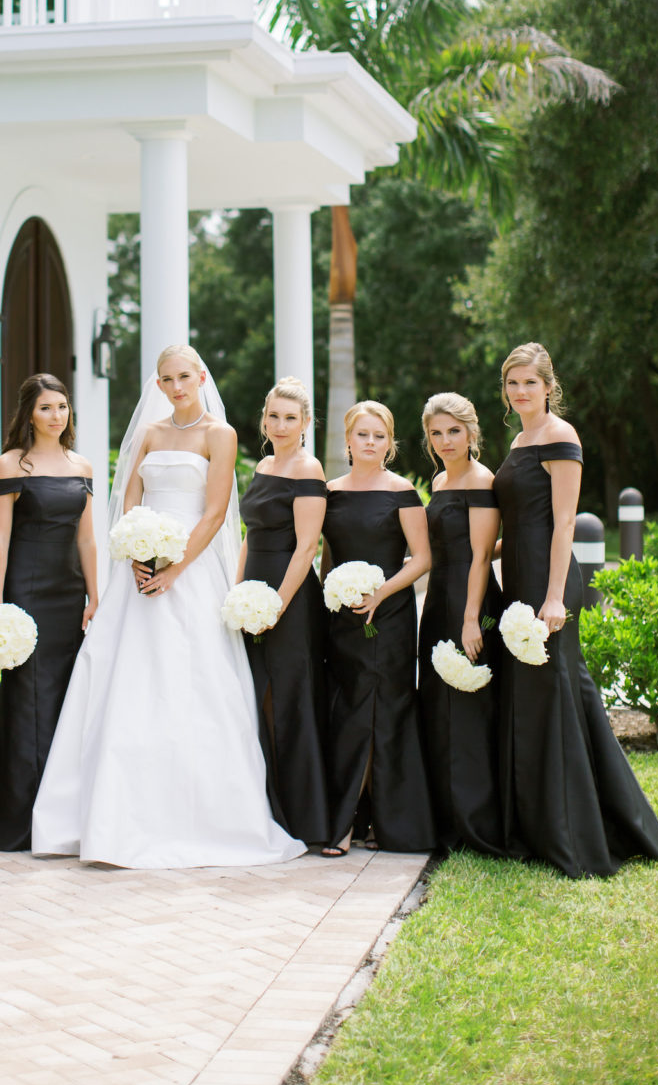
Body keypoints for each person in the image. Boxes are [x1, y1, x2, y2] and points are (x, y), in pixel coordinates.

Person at [31, 345, 305, 868]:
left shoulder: (219, 435)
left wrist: (175, 569)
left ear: (201, 377)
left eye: (184, 376)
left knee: (194, 683)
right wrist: (137, 553)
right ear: (157, 385)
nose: (177, 386)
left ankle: (202, 819)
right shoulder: (151, 435)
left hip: (193, 572)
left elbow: (216, 510)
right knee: (123, 683)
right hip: (139, 575)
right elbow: (130, 499)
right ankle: (107, 821)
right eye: (167, 379)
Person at [494, 343, 658, 877]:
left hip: (550, 580)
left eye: (529, 382)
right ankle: (544, 819)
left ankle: (575, 833)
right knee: (556, 696)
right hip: (520, 574)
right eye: (512, 384)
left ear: (549, 386)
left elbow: (564, 523)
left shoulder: (558, 436)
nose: (520, 391)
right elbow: (516, 520)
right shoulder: (520, 438)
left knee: (556, 696)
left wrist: (552, 597)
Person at [0, 373, 97, 851]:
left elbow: (86, 537)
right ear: (29, 414)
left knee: (65, 699)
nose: (55, 416)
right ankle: (16, 819)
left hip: (69, 594)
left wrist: (94, 597)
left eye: (62, 407)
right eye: (46, 408)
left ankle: (62, 818)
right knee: (27, 700)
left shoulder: (81, 464)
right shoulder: (9, 465)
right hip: (26, 590)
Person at [321, 400, 435, 856]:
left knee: (384, 711)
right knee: (349, 710)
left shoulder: (402, 491)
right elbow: (324, 553)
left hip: (388, 617)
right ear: (347, 440)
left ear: (390, 442)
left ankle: (373, 822)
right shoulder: (329, 491)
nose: (370, 442)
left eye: (379, 435)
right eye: (362, 434)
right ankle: (354, 815)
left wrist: (381, 594)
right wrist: (335, 596)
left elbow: (424, 558)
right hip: (343, 617)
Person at [235, 377, 329, 844]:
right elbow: (250, 533)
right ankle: (263, 809)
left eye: (290, 418)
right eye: (273, 416)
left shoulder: (309, 470)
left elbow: (307, 546)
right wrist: (237, 591)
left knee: (290, 700)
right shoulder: (264, 463)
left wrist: (277, 604)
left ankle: (305, 819)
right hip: (252, 593)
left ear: (306, 423)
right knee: (254, 699)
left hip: (288, 598)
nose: (279, 424)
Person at [417, 392, 504, 855]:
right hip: (437, 601)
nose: (446, 440)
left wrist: (471, 619)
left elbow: (480, 556)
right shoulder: (439, 478)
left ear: (472, 432)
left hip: (470, 601)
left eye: (454, 431)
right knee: (438, 703)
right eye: (437, 433)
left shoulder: (481, 479)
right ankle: (444, 816)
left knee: (469, 708)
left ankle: (474, 821)